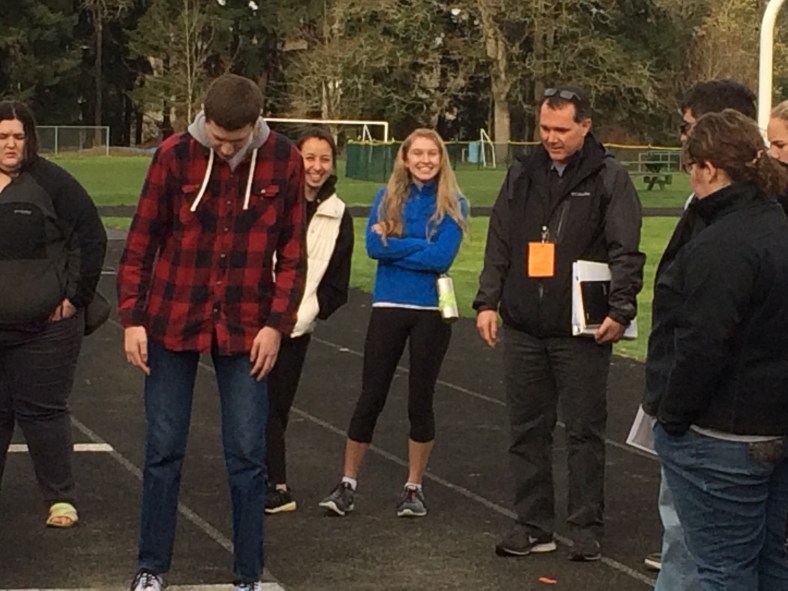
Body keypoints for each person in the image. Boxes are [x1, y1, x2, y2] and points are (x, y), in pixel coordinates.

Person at [117, 74, 305, 591]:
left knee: (248, 454)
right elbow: (140, 241)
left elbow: (292, 252)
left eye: (236, 140)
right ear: (204, 120)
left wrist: (276, 325)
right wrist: (131, 318)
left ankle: (249, 574)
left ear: (255, 126)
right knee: (162, 448)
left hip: (248, 324)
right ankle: (151, 567)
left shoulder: (284, 160)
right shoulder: (173, 156)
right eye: (217, 138)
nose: (225, 149)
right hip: (173, 317)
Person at [473, 85, 644, 561]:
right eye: (545, 128)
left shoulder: (610, 178)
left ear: (585, 126)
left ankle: (586, 525)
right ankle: (532, 523)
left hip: (581, 330)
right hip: (525, 326)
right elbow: (500, 241)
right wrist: (488, 302)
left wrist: (620, 309)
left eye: (561, 130)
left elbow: (626, 251)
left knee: (584, 431)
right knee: (526, 429)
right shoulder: (522, 173)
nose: (551, 137)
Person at [651, 109, 788, 590]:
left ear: (707, 168)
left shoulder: (723, 242)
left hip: (721, 431)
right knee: (772, 563)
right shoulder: (775, 222)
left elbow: (703, 343)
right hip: (772, 421)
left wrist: (671, 418)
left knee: (720, 570)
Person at [642, 79, 757, 589]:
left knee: (709, 559)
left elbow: (706, 333)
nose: (683, 143)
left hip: (718, 420)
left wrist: (671, 413)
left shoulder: (728, 227)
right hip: (742, 413)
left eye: (689, 130)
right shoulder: (756, 216)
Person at [319, 128, 468, 518]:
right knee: (371, 395)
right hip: (388, 305)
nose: (424, 160)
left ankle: (414, 487)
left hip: (430, 312)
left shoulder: (455, 203)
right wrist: (418, 245)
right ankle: (347, 483)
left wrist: (396, 245)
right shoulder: (386, 198)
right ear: (404, 157)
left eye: (431, 154)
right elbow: (372, 247)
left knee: (420, 399)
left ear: (441, 158)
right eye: (417, 153)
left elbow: (441, 258)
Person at [0, 100, 107, 529]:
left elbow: (92, 237)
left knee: (43, 413)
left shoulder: (54, 183)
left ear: (30, 140)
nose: (10, 144)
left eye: (17, 136)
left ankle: (60, 499)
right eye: (2, 136)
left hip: (45, 330)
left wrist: (74, 298)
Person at [264, 127, 353, 514]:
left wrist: (311, 310)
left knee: (278, 406)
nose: (316, 167)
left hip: (299, 325)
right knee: (258, 405)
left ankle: (270, 481)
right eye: (309, 157)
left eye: (324, 159)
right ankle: (275, 484)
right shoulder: (273, 201)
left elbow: (338, 281)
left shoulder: (339, 214)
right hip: (259, 321)